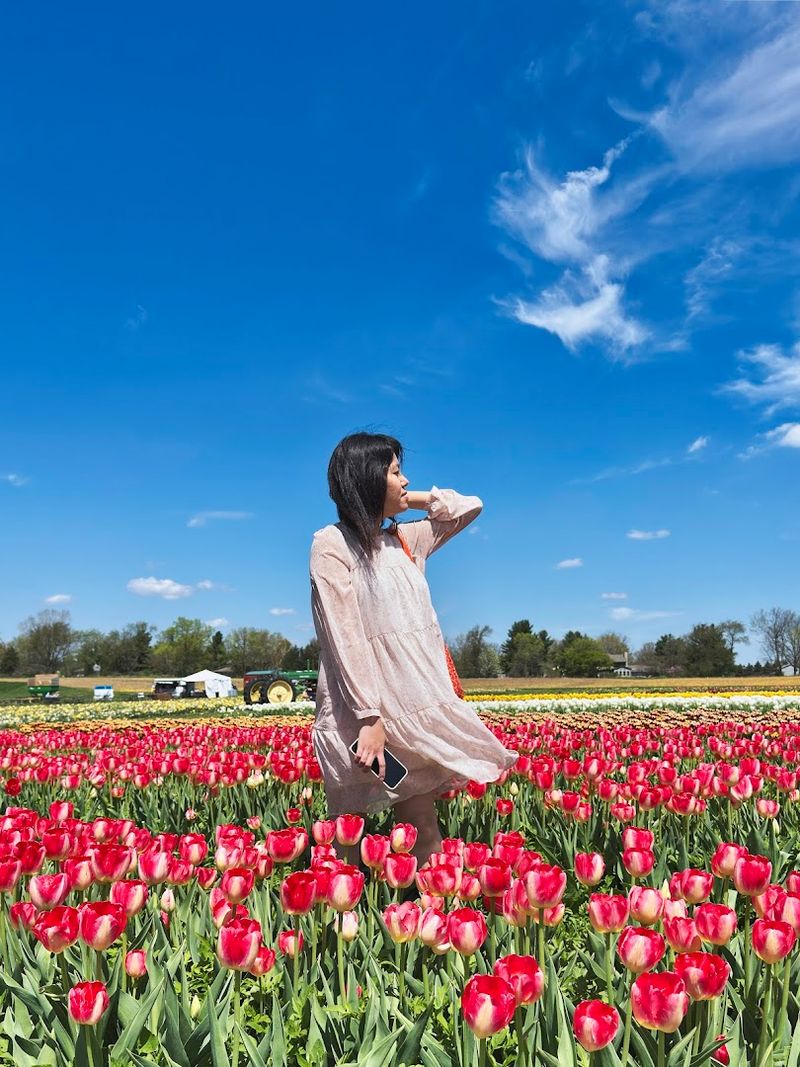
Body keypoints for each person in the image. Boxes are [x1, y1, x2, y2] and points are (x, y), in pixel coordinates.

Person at [310, 432, 516, 865]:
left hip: (414, 703)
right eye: (395, 473)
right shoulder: (331, 544)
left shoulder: (408, 540)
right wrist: (369, 716)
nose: (405, 482)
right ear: (367, 479)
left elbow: (470, 506)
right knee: (349, 827)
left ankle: (433, 915)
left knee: (421, 820)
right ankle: (341, 918)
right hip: (363, 711)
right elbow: (341, 634)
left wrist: (412, 497)